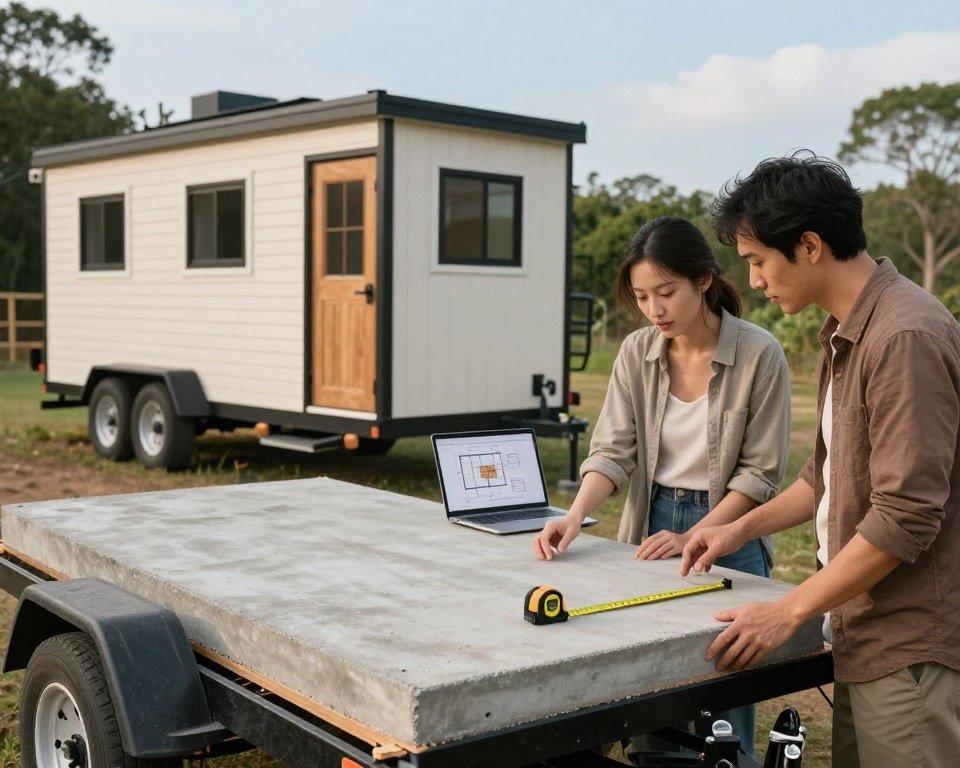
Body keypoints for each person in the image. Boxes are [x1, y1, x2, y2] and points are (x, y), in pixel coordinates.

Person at [682, 151, 960, 767]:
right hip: (863, 630)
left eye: (758, 260)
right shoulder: (847, 330)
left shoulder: (903, 335)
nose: (753, 281)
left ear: (809, 245)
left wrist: (788, 611)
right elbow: (826, 474)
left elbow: (906, 516)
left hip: (909, 643)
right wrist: (738, 529)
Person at [532, 215, 791, 760]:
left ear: (703, 280)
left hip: (733, 534)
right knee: (652, 692)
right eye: (642, 296)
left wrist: (696, 534)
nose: (655, 309)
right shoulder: (636, 351)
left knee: (724, 702)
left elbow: (759, 475)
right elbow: (612, 451)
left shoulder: (760, 353)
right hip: (652, 526)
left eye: (666, 292)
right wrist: (574, 515)